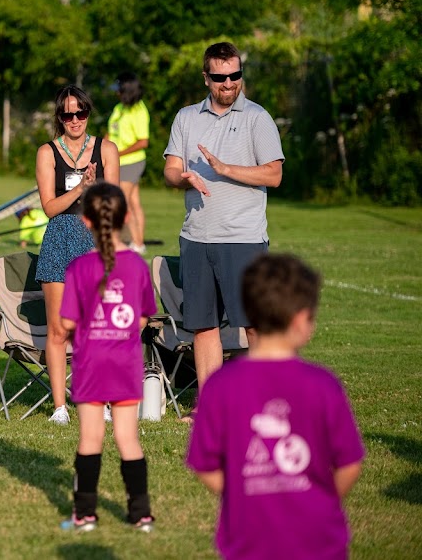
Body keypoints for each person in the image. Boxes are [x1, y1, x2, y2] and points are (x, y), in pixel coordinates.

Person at [186, 253, 365, 558]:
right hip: (318, 539)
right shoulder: (323, 384)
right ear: (300, 320)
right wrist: (319, 501)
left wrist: (241, 497)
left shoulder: (219, 386)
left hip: (247, 538)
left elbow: (203, 464)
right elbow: (349, 463)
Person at [163, 42, 284, 422]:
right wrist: (182, 178)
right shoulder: (185, 117)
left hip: (243, 238)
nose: (228, 83)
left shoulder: (257, 118)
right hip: (197, 237)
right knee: (203, 326)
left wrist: (226, 169)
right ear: (206, 78)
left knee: (254, 325)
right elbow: (170, 169)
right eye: (220, 77)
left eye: (234, 75)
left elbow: (274, 174)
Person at [58, 182, 157, 532]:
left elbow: (67, 321)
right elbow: (144, 315)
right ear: (126, 217)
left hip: (90, 364)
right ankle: (140, 514)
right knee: (128, 439)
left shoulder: (79, 268)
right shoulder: (138, 266)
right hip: (125, 363)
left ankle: (84, 514)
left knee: (90, 439)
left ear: (85, 221)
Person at [35, 85, 120, 426]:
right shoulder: (47, 152)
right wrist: (79, 189)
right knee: (58, 330)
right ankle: (59, 407)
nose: (74, 120)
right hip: (59, 239)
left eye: (80, 113)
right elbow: (49, 207)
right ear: (60, 117)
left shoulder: (107, 149)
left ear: (88, 112)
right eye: (67, 114)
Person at [107, 72, 150, 254]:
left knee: (119, 201)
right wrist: (101, 149)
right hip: (118, 161)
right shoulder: (119, 108)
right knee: (132, 202)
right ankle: (138, 243)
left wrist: (118, 153)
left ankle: (117, 241)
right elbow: (111, 133)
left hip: (132, 163)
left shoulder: (139, 111)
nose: (116, 93)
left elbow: (143, 141)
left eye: (119, 90)